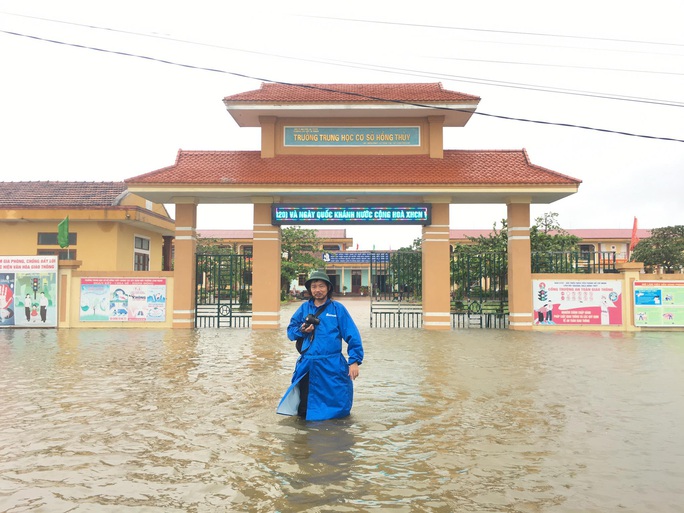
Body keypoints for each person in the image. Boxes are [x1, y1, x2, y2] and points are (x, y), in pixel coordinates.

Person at [277, 270, 364, 421]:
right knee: (305, 408)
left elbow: (352, 335)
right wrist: (302, 330)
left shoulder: (338, 309)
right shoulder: (304, 308)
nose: (318, 290)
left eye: (321, 286)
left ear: (328, 288)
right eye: (314, 287)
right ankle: (305, 442)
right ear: (310, 289)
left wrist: (354, 361)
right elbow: (291, 332)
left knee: (338, 407)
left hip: (332, 365)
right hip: (308, 365)